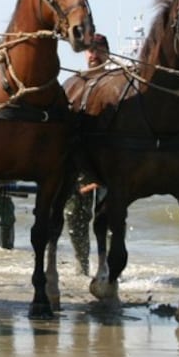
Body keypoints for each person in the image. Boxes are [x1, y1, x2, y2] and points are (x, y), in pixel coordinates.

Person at [65, 34, 111, 274]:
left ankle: (109, 269)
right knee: (74, 217)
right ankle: (82, 267)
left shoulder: (118, 84)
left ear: (108, 54)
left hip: (110, 165)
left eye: (99, 49)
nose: (94, 54)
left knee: (111, 219)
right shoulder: (75, 83)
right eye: (90, 50)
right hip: (81, 164)